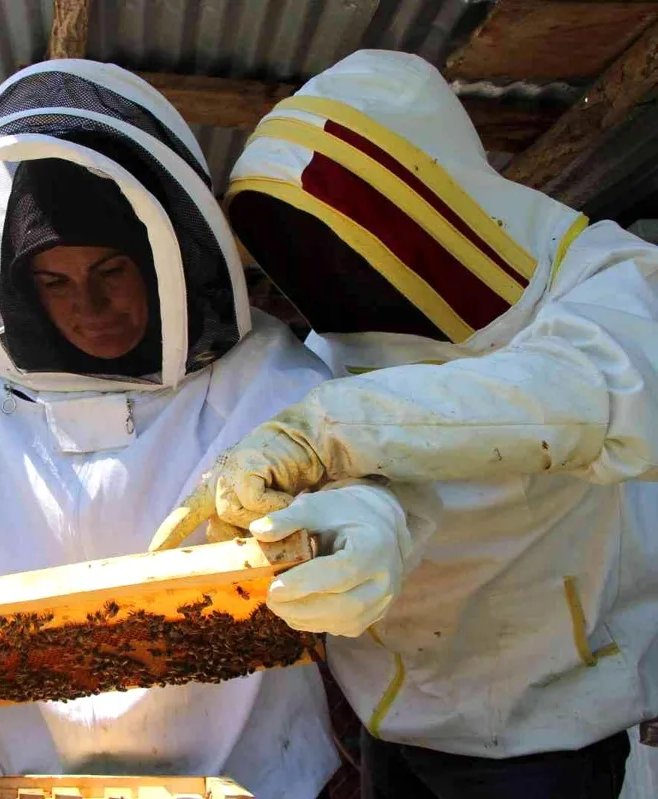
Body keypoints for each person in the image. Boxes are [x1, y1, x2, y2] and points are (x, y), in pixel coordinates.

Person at [0, 60, 415, 799]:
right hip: (31, 780)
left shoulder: (264, 378)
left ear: (162, 259)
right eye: (52, 280)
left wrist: (366, 527)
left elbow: (349, 484)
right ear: (19, 286)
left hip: (261, 774)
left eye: (110, 269)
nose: (86, 304)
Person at [154, 49, 658, 798]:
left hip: (544, 734)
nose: (342, 265)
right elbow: (397, 484)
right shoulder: (338, 352)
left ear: (427, 188)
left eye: (356, 226)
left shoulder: (604, 278)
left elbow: (591, 393)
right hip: (389, 725)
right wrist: (352, 528)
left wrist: (332, 428)